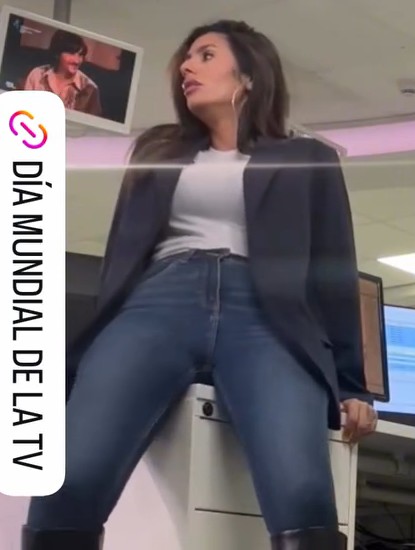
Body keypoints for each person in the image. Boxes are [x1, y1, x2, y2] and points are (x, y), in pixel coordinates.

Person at [22, 19, 378, 550]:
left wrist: (351, 384)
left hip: (266, 316)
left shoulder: (307, 158)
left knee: (303, 491)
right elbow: (122, 259)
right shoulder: (158, 151)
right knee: (68, 480)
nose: (187, 66)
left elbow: (333, 270)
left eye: (206, 55)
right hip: (159, 302)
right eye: (186, 59)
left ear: (250, 74)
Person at [24, 29, 102, 116]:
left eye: (80, 55)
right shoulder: (37, 75)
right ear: (57, 54)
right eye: (71, 54)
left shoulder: (90, 89)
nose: (77, 61)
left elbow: (93, 123)